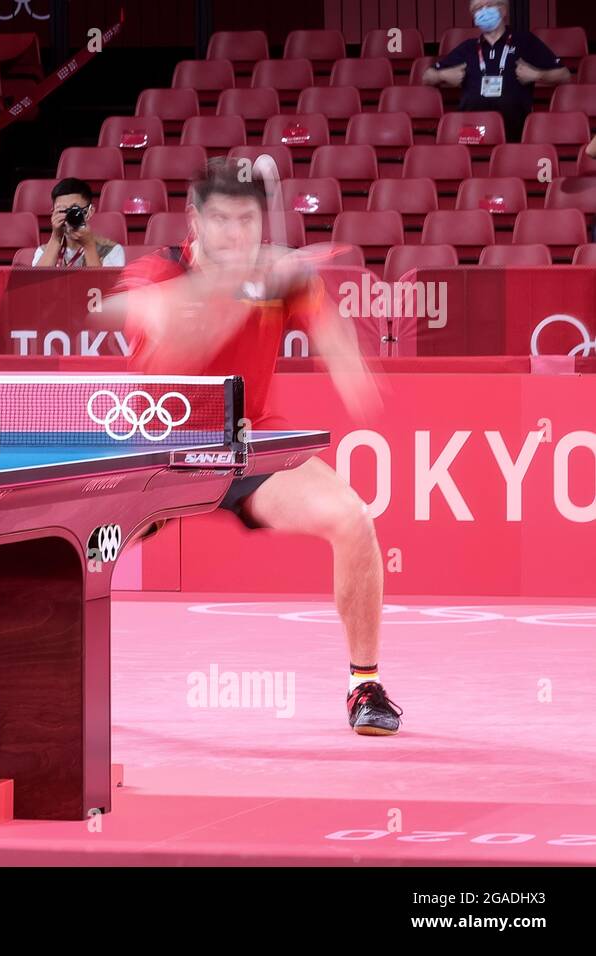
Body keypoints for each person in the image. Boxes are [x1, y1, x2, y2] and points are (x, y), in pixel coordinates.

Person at [104, 158, 402, 735]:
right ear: (194, 219)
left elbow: (334, 338)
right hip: (161, 454)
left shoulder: (278, 275)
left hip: (251, 448)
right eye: (221, 220)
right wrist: (231, 290)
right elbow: (171, 356)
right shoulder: (152, 274)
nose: (235, 234)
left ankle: (363, 686)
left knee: (354, 520)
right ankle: (55, 684)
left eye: (247, 220)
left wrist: (346, 361)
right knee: (76, 552)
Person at [422, 0, 569, 142]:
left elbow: (564, 76)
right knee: (460, 157)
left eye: (488, 5)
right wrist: (443, 75)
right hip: (474, 131)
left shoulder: (525, 41)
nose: (483, 11)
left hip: (515, 130)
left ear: (503, 10)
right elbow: (427, 77)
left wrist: (537, 75)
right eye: (478, 8)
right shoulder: (468, 48)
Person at [32, 177, 125, 267]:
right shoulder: (43, 251)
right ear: (53, 213)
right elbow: (37, 281)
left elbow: (101, 282)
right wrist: (56, 238)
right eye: (62, 210)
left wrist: (89, 246)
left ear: (89, 212)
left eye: (74, 210)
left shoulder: (111, 249)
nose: (69, 216)